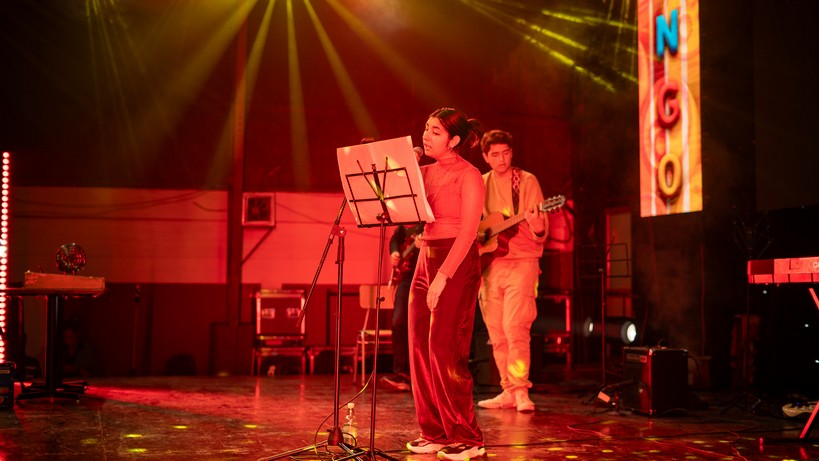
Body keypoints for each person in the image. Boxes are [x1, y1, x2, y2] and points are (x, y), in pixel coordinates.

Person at [405, 107, 486, 461]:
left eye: (435, 131)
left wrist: (442, 276)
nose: (426, 135)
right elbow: (402, 214)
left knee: (444, 349)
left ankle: (467, 436)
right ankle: (435, 432)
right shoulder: (423, 172)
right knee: (419, 347)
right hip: (426, 255)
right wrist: (405, 173)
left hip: (456, 260)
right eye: (426, 128)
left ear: (453, 141)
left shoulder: (469, 175)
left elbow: (468, 232)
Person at [475, 129, 549, 412]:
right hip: (490, 265)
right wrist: (479, 236)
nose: (501, 159)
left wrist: (537, 225)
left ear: (512, 152)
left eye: (505, 153)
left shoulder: (526, 181)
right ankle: (507, 389)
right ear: (486, 157)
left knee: (515, 327)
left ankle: (520, 390)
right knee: (497, 332)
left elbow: (541, 230)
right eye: (495, 154)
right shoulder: (481, 183)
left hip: (523, 261)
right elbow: (474, 223)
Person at [380, 222, 423, 392]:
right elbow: (395, 238)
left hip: (427, 275)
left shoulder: (428, 220)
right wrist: (394, 252)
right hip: (407, 278)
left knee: (421, 328)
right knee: (398, 322)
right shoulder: (405, 222)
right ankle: (402, 374)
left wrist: (426, 244)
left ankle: (421, 378)